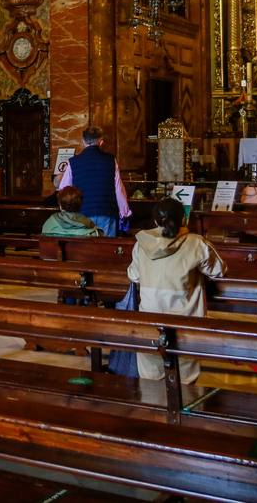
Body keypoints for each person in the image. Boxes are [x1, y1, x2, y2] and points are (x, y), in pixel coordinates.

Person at [127, 198, 226, 384]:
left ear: (156, 221)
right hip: (186, 323)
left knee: (150, 381)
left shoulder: (141, 243)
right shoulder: (196, 243)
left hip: (150, 321)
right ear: (183, 219)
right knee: (185, 382)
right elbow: (219, 270)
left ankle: (153, 409)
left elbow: (134, 276)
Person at [57, 126, 131, 238]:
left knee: (86, 251)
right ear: (101, 142)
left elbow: (64, 189)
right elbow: (118, 189)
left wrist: (65, 214)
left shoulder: (73, 162)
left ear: (83, 141)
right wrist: (125, 212)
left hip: (82, 213)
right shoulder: (110, 160)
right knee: (106, 251)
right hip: (107, 211)